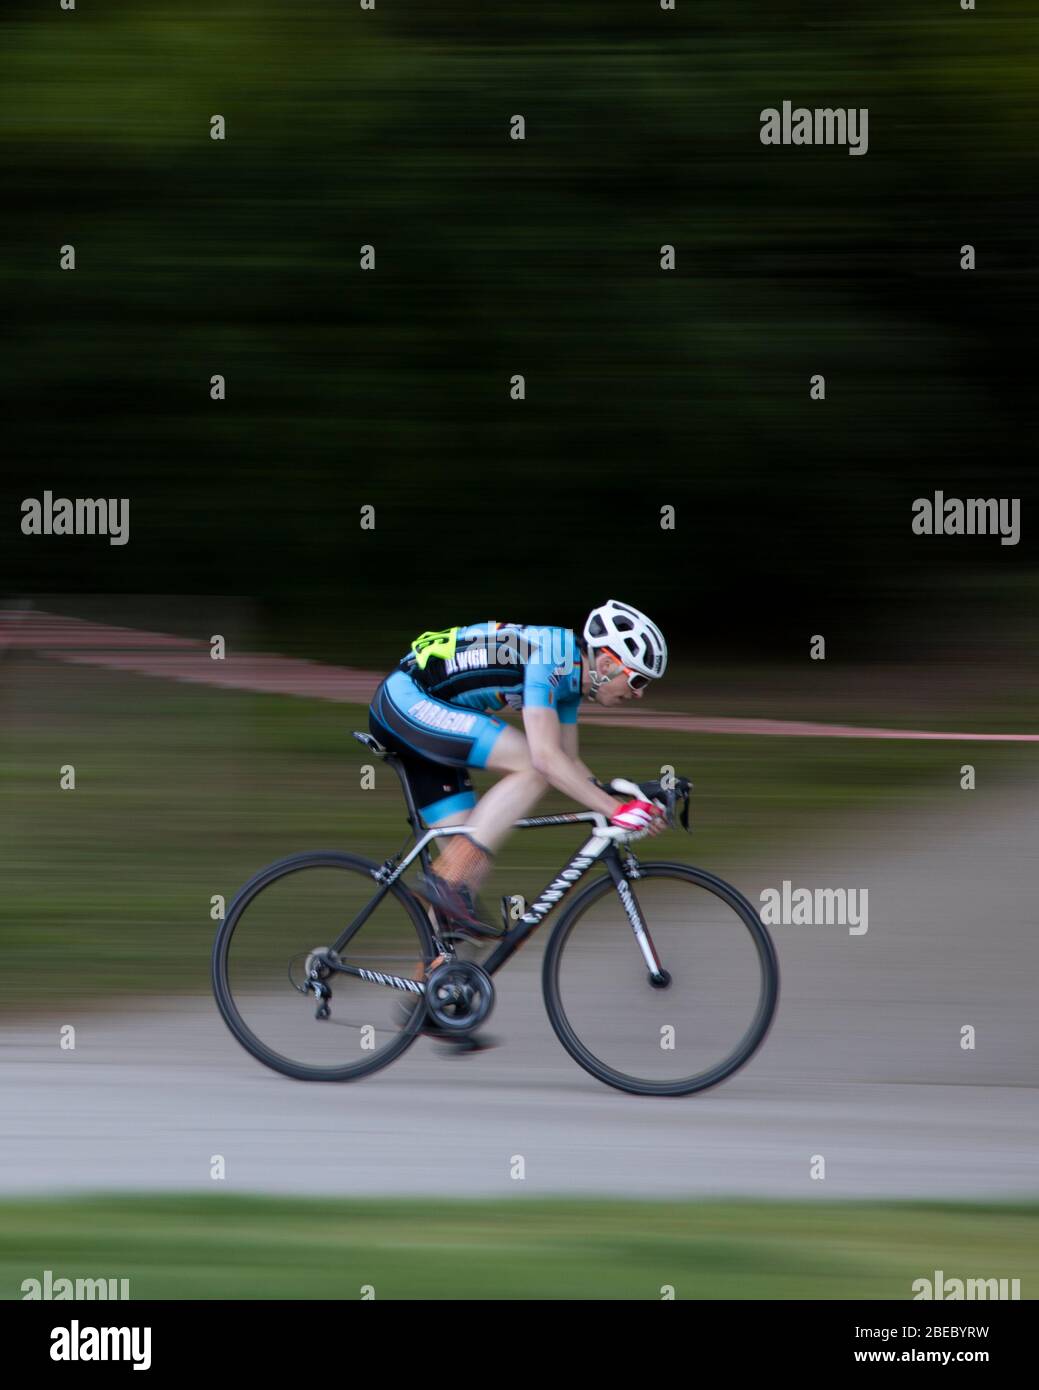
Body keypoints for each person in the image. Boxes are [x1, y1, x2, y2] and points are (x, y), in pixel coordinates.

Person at [368, 600, 669, 937]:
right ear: (607, 663)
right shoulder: (553, 657)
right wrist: (616, 811)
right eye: (639, 680)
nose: (640, 694)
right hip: (405, 701)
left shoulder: (571, 680)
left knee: (463, 880)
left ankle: (433, 978)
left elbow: (568, 762)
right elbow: (546, 761)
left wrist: (628, 797)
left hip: (427, 710)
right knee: (531, 767)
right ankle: (442, 884)